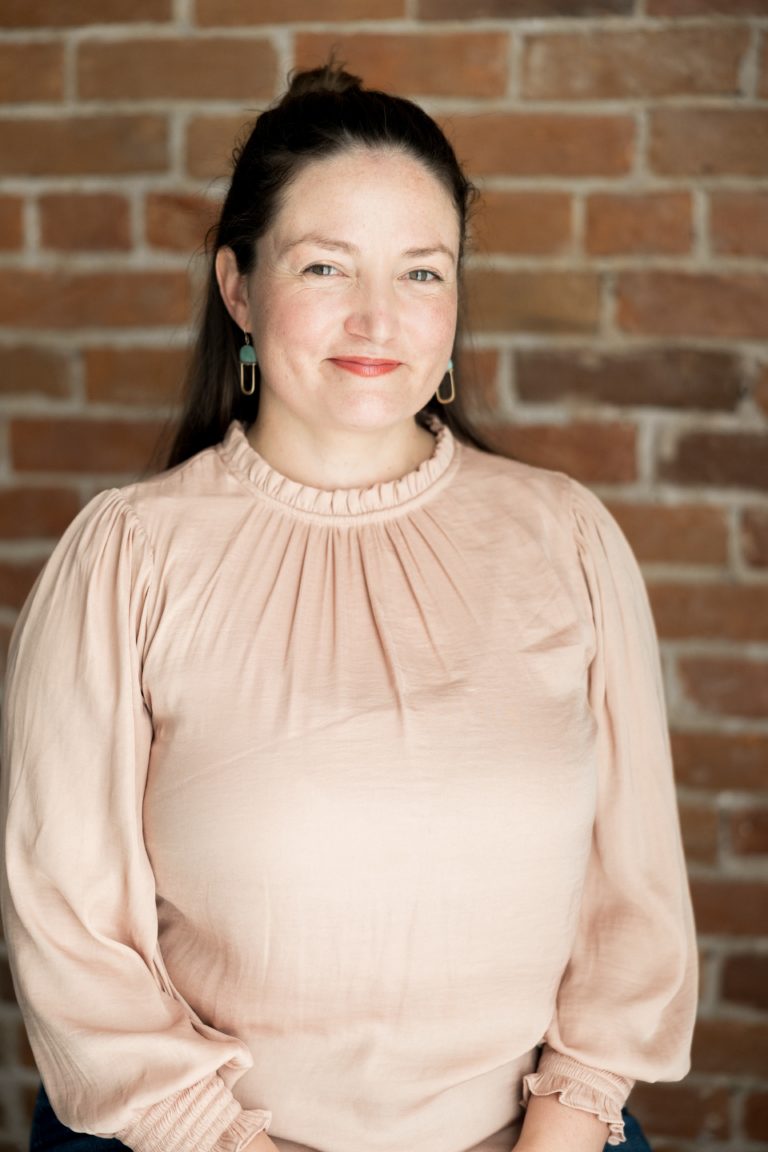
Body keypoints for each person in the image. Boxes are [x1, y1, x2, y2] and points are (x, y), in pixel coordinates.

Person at [1, 63, 697, 1152]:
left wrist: (557, 1136)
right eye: (326, 265)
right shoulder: (128, 557)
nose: (380, 317)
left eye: (423, 273)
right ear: (237, 286)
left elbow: (635, 911)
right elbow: (70, 942)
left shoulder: (565, 539)